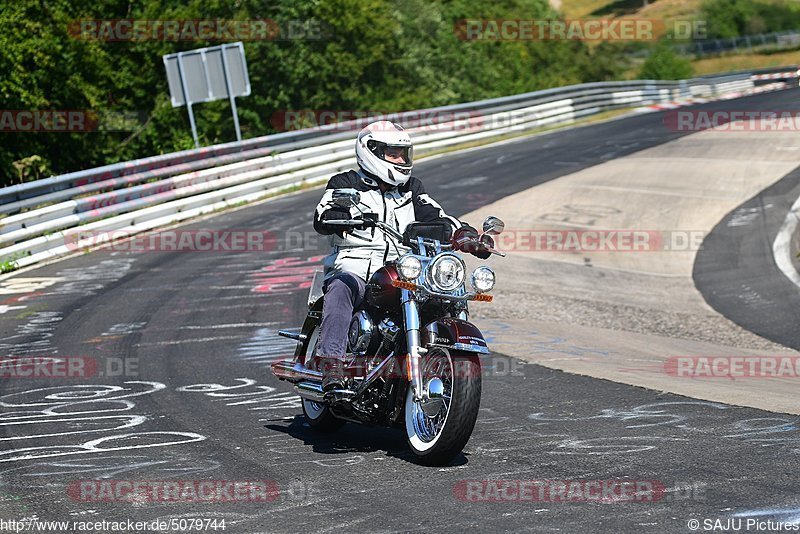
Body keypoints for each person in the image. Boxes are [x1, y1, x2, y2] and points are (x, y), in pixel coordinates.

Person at [312, 120, 486, 392]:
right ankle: (331, 363)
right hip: (356, 266)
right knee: (341, 288)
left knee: (442, 296)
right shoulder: (345, 183)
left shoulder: (411, 189)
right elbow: (324, 213)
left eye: (403, 154)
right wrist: (344, 216)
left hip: (404, 269)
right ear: (371, 151)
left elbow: (438, 216)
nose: (401, 160)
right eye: (393, 153)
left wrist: (464, 234)